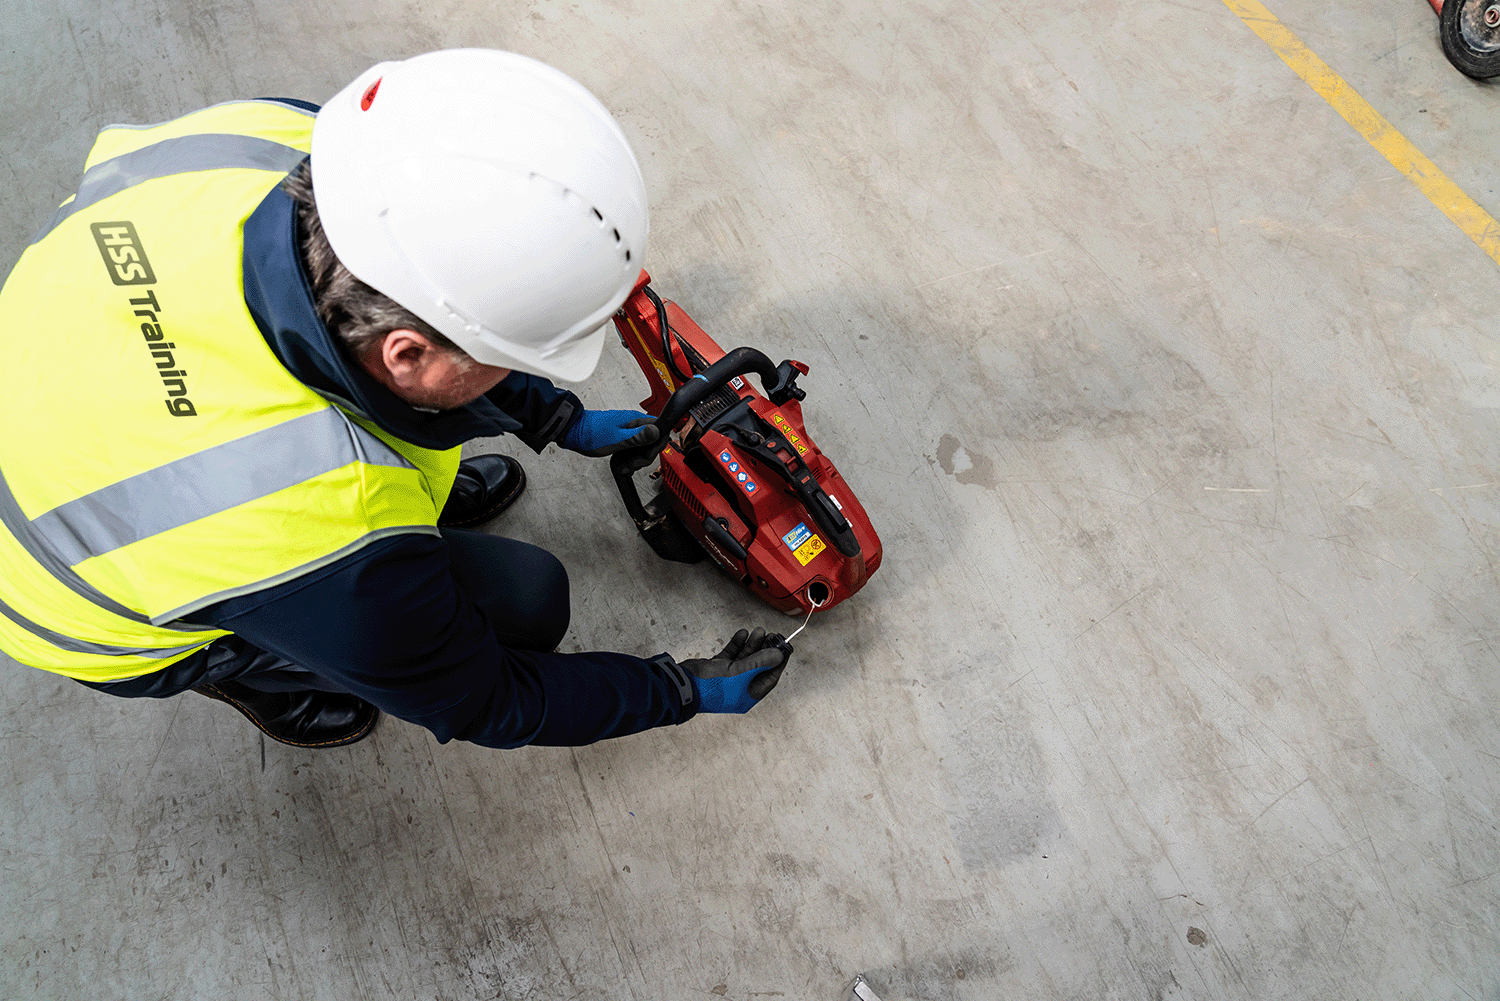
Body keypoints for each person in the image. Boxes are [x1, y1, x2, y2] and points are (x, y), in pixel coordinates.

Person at [0, 48, 791, 749]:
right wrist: (679, 691)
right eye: (509, 362)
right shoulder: (293, 519)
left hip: (65, 384)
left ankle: (406, 515)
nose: (519, 373)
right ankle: (256, 673)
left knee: (423, 511)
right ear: (406, 354)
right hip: (70, 603)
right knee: (530, 605)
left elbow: (434, 302)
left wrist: (556, 417)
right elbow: (491, 699)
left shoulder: (286, 144)